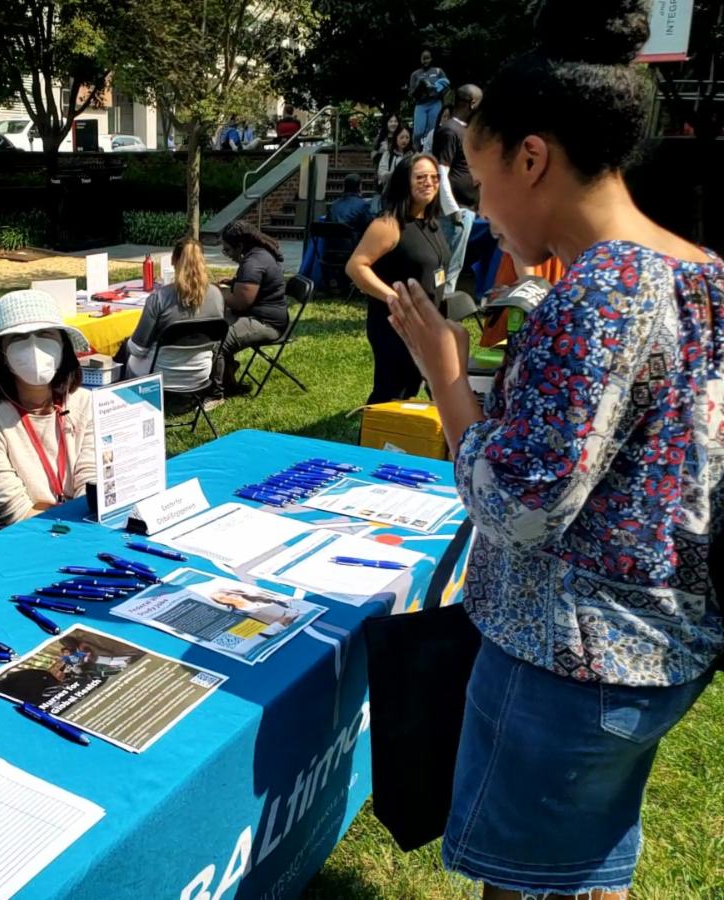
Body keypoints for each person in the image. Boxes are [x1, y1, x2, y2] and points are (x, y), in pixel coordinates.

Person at [383, 2, 723, 897]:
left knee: (526, 883)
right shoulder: (702, 273)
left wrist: (445, 376)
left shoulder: (596, 297)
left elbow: (519, 507)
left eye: (478, 175)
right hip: (662, 646)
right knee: (587, 864)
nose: (478, 207)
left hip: (566, 660)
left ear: (531, 158)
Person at [0, 290, 96, 529]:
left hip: (87, 528)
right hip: (26, 540)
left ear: (63, 346)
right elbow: (16, 514)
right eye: (18, 338)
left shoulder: (87, 403)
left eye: (45, 334)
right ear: (1, 354)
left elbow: (93, 486)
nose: (34, 347)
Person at [345, 154, 449, 404]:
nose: (429, 183)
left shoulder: (430, 223)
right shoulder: (388, 224)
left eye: (434, 178)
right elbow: (356, 266)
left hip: (427, 322)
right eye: (420, 177)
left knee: (413, 390)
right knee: (391, 393)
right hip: (395, 326)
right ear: (405, 181)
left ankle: (408, 439)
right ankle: (374, 440)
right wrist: (393, 298)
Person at [123, 236, 225, 393]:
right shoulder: (217, 295)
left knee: (127, 350)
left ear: (172, 261)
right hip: (200, 375)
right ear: (203, 261)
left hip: (159, 377)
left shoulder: (159, 298)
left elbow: (138, 349)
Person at [216, 221, 288, 396]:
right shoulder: (257, 255)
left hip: (266, 323)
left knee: (217, 341)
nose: (227, 254)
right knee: (214, 326)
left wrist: (216, 292)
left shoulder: (254, 262)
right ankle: (228, 371)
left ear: (240, 246)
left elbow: (241, 302)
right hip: (261, 316)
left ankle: (220, 390)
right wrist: (234, 283)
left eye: (228, 250)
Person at [433, 84, 483, 298]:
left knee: (454, 264)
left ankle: (443, 303)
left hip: (466, 208)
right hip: (454, 211)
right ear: (472, 103)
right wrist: (452, 209)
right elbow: (441, 172)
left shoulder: (463, 131)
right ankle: (438, 303)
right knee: (446, 264)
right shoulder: (449, 130)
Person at [408, 49, 448, 151]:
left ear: (431, 59)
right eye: (423, 59)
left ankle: (431, 152)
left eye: (427, 58)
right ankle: (416, 151)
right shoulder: (415, 74)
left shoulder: (438, 71)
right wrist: (419, 85)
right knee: (418, 133)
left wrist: (433, 87)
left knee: (432, 131)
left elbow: (446, 87)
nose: (425, 61)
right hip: (421, 104)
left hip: (435, 103)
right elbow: (411, 93)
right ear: (420, 60)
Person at [376, 125, 413, 190]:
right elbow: (381, 174)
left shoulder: (414, 155)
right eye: (401, 137)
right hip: (391, 191)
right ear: (396, 138)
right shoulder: (388, 154)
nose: (404, 140)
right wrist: (394, 173)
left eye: (407, 137)